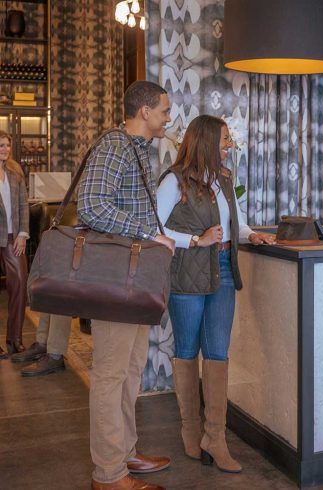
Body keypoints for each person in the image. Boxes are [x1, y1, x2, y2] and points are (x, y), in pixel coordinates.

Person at [156, 114, 275, 474]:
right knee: (188, 350)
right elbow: (155, 230)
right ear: (207, 141)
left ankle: (215, 437)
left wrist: (251, 234)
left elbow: (233, 219)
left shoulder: (223, 178)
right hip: (188, 273)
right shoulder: (174, 182)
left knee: (219, 352)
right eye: (225, 140)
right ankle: (190, 429)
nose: (229, 146)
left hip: (223, 269)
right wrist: (195, 239)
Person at [77, 81, 176, 490]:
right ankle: (109, 474)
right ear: (145, 112)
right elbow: (91, 206)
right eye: (164, 111)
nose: (168, 118)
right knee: (111, 375)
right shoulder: (115, 146)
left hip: (132, 277)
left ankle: (125, 453)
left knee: (131, 371)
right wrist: (148, 234)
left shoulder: (138, 150)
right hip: (115, 276)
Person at [0, 130, 28, 359]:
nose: (5, 149)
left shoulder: (15, 171)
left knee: (19, 282)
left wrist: (22, 233)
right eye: (1, 145)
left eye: (7, 145)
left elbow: (23, 205)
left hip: (12, 238)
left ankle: (15, 338)